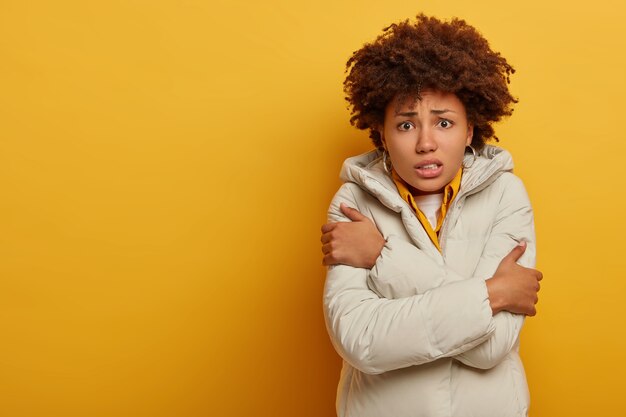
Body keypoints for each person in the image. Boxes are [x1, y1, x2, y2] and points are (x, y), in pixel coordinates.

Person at [320, 14, 543, 417]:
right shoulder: (353, 202)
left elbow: (493, 346)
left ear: (470, 129)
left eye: (444, 122)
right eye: (406, 124)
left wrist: (382, 257)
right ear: (382, 135)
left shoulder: (506, 194)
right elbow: (360, 340)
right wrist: (491, 293)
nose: (426, 143)